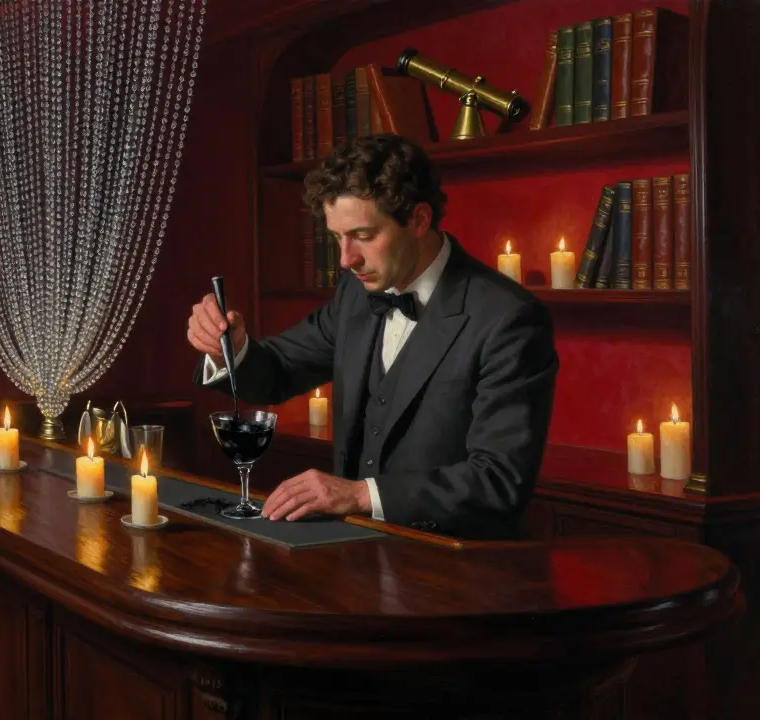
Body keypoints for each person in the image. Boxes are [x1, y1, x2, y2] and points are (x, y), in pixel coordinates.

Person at [188, 135, 558, 540]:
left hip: (454, 570)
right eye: (337, 237)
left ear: (419, 220)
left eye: (363, 236)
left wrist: (361, 495)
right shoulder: (355, 293)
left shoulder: (508, 318)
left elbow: (499, 481)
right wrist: (229, 347)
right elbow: (277, 371)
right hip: (352, 555)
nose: (347, 259)